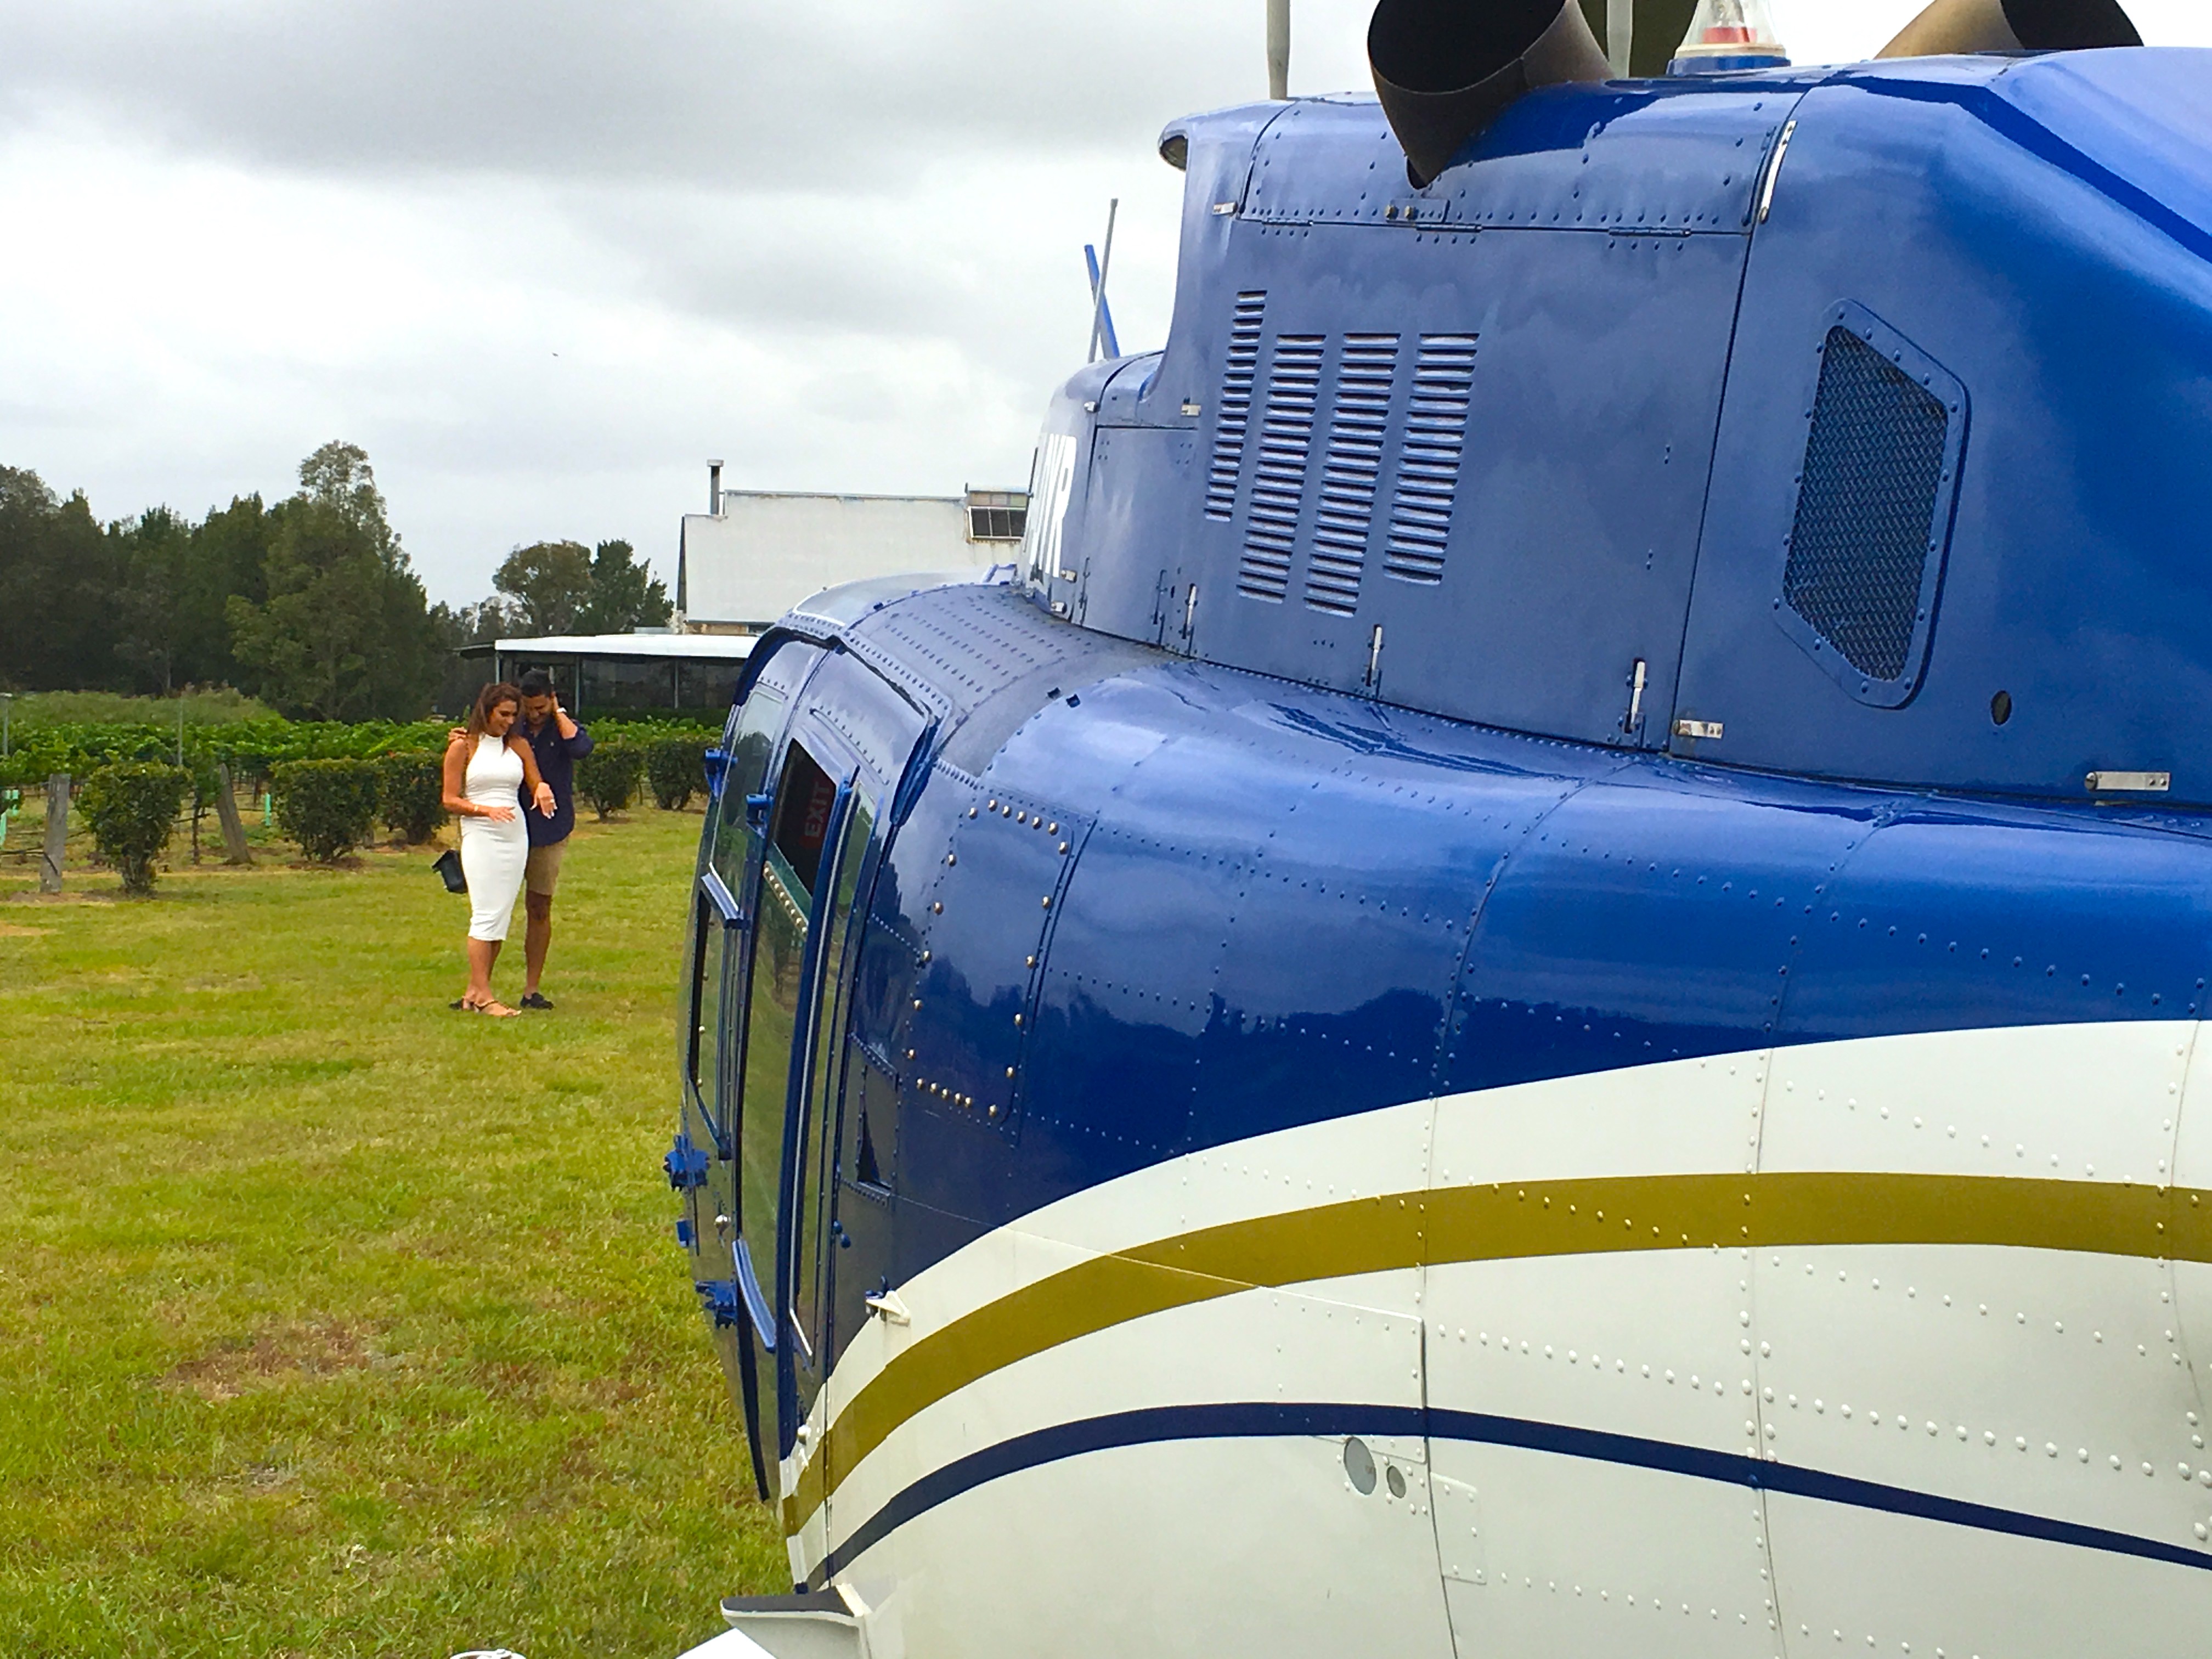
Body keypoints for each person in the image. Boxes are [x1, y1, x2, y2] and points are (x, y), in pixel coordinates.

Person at [442, 682, 556, 1017]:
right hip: (481, 835)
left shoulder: (518, 745)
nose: (509, 721)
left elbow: (535, 780)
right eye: (503, 714)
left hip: (514, 836)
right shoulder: (463, 746)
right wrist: (484, 810)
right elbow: (450, 799)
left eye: (513, 715)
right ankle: (484, 997)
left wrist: (543, 789)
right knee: (485, 914)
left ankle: (474, 992)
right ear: (486, 710)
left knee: (501, 916)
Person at [511, 669, 592, 1009]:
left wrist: (557, 713)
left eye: (541, 707)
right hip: (509, 827)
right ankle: (480, 987)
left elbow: (581, 748)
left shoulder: (562, 727)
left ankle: (532, 989)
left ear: (552, 699)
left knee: (539, 906)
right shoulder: (510, 726)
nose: (534, 714)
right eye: (529, 708)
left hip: (550, 830)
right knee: (495, 908)